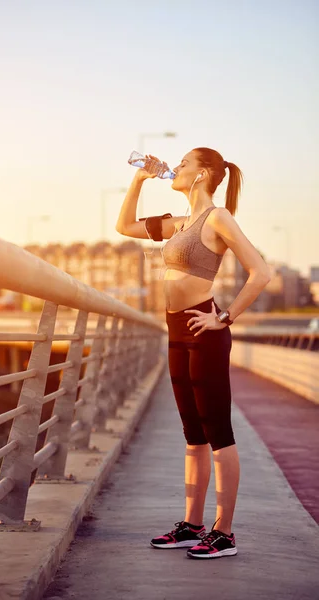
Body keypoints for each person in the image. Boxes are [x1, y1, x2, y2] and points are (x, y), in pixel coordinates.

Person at [115, 147, 271, 559]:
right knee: (193, 435)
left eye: (183, 163)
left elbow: (261, 272)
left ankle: (225, 533)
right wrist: (139, 179)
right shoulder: (181, 223)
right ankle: (192, 524)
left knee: (217, 431)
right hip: (175, 331)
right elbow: (124, 225)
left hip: (204, 327)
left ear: (202, 174)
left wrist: (227, 317)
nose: (175, 167)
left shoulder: (217, 218)